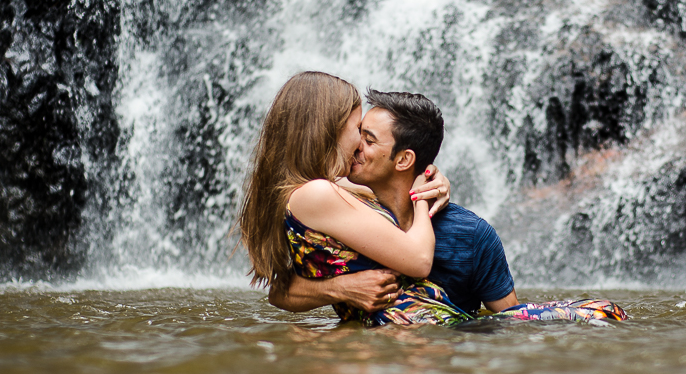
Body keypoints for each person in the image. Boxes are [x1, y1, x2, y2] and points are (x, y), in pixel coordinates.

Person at [266, 85, 628, 326]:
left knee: (601, 313)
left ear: (404, 159)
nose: (355, 146)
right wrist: (342, 289)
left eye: (368, 138)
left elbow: (509, 325)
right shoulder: (337, 207)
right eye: (357, 133)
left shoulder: (471, 235)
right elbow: (281, 289)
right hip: (376, 369)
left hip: (439, 357)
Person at [237, 71, 472, 326]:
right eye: (357, 128)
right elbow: (419, 260)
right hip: (409, 334)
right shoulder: (317, 193)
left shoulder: (314, 190)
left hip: (401, 334)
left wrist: (432, 176)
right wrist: (420, 197)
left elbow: (279, 290)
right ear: (328, 130)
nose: (361, 142)